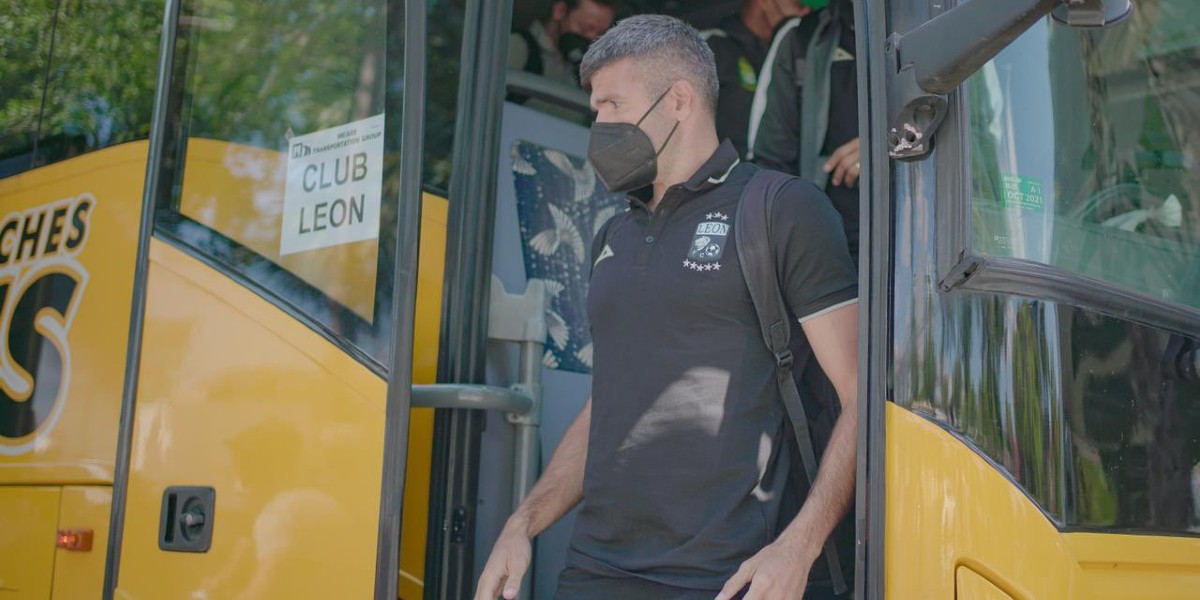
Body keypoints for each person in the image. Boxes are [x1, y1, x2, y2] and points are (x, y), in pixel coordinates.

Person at [476, 15, 858, 600]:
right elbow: (610, 400)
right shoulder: (613, 237)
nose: (597, 123)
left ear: (679, 99)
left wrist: (798, 547)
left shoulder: (781, 210)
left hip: (729, 577)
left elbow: (863, 397)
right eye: (594, 107)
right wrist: (522, 523)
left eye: (612, 104)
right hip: (594, 570)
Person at [750, 0, 860, 265]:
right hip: (829, 253)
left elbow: (971, 137)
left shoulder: (930, 24)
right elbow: (769, 163)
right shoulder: (802, 37)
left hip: (920, 239)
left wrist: (885, 144)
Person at [703, 0, 809, 158]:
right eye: (799, 4)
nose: (806, 11)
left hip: (774, 175)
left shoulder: (789, 59)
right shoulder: (708, 46)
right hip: (723, 177)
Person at [508, 0, 620, 88]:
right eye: (585, 28)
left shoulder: (585, 73)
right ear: (560, 11)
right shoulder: (520, 47)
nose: (592, 38)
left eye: (600, 33)